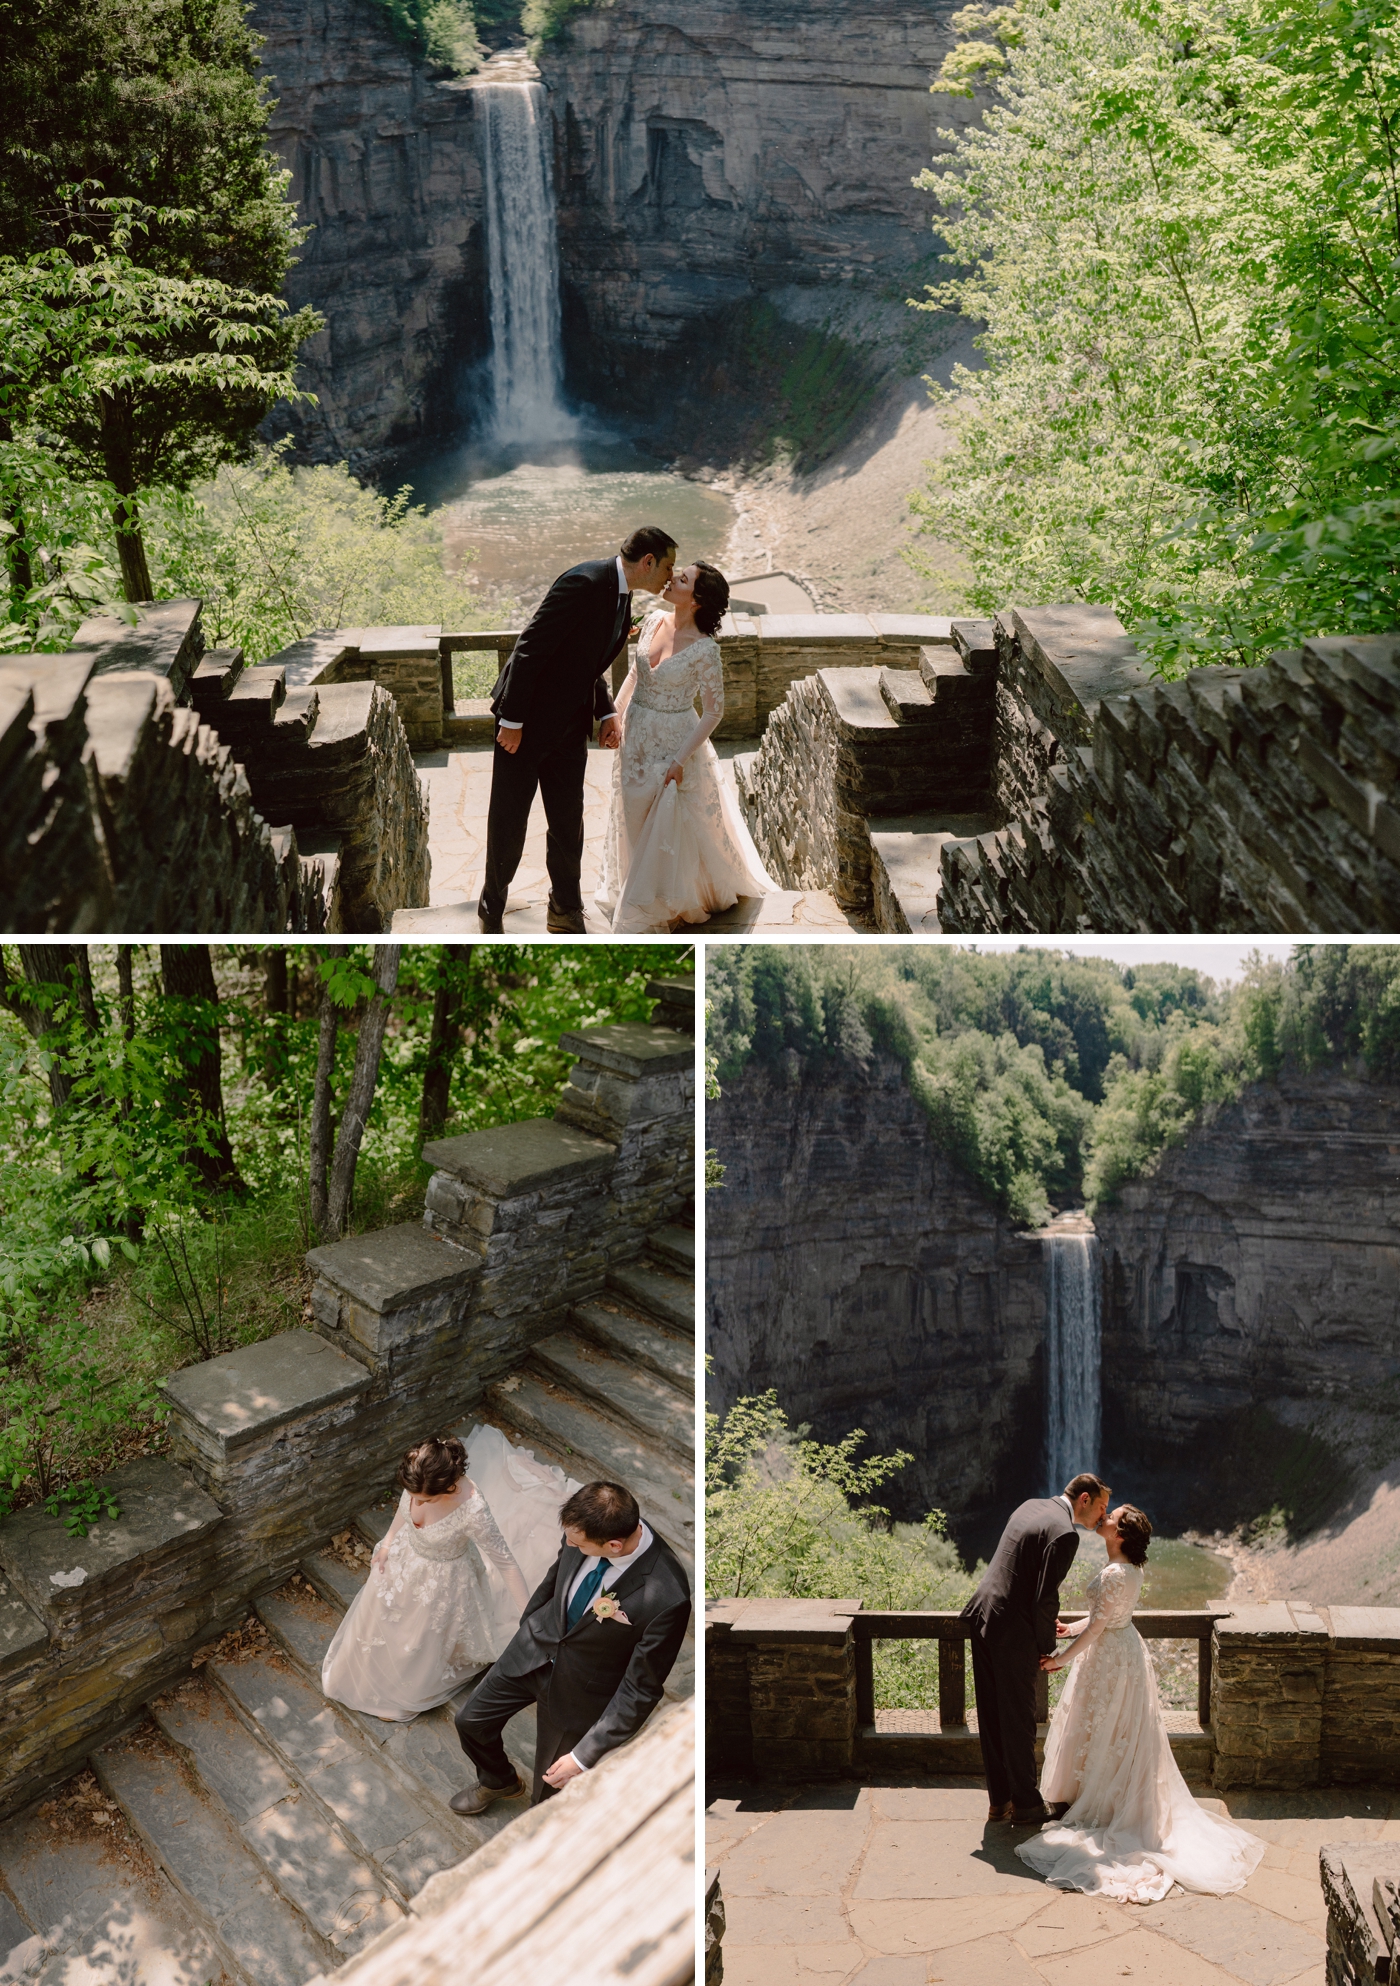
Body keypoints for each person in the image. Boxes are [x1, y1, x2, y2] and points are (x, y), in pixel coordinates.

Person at [1016, 1503, 1265, 1901]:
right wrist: (1070, 1627)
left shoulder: (1116, 1572)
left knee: (1105, 1726)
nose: (1104, 1517)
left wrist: (1060, 1659)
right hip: (1123, 1650)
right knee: (1117, 1729)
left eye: (1111, 1517)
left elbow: (1100, 1624)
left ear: (1121, 1535)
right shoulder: (1131, 1570)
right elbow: (1107, 1616)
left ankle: (1098, 1803)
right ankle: (1097, 1796)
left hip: (1110, 1657)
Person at [477, 526, 677, 934]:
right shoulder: (583, 582)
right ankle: (490, 907)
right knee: (508, 823)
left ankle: (565, 909)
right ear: (648, 562)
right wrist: (513, 720)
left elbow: (586, 662)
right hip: (525, 725)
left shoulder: (624, 597)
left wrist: (605, 712)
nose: (670, 577)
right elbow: (530, 645)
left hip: (569, 726)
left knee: (569, 822)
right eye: (668, 566)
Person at [451, 1478, 691, 1810]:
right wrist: (529, 1627)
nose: (569, 1544)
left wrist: (583, 1756)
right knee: (470, 1722)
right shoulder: (586, 1529)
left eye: (579, 1544)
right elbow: (555, 1580)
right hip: (532, 1651)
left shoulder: (667, 1596)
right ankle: (498, 1781)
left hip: (580, 1693)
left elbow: (642, 1688)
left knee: (548, 1795)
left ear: (614, 1546)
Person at [321, 1426, 580, 1721]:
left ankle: (403, 1688)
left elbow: (506, 1563)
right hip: (404, 1561)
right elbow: (403, 1511)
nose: (416, 1503)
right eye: (413, 1496)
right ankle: (370, 1673)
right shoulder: (420, 1474)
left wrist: (527, 1617)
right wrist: (389, 1542)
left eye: (425, 1500)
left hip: (442, 1581)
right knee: (381, 1621)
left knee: (418, 1637)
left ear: (449, 1487)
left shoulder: (473, 1510)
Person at [594, 560, 775, 931]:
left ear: (696, 599)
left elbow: (713, 712)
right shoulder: (654, 618)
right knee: (633, 813)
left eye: (683, 578)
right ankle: (632, 884)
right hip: (637, 736)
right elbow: (634, 674)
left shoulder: (705, 650)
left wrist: (679, 760)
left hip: (675, 743)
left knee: (669, 820)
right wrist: (615, 715)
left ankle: (665, 899)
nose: (672, 577)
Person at [962, 1472, 1111, 1824]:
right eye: (1102, 1507)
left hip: (983, 1616)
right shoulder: (1065, 1533)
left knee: (992, 1714)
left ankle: (999, 1801)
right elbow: (1046, 1599)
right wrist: (1049, 1651)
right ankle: (1027, 1806)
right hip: (1013, 1634)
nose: (1104, 1517)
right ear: (1084, 1499)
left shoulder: (1032, 1505)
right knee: (1018, 1719)